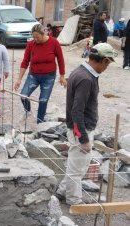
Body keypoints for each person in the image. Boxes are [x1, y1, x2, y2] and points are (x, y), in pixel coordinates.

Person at [56, 43, 117, 205]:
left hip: (78, 127)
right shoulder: (85, 79)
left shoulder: (81, 72)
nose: (107, 66)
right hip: (80, 129)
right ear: (103, 60)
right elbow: (77, 111)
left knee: (76, 165)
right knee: (77, 169)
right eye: (108, 63)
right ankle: (74, 201)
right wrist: (83, 139)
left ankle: (63, 191)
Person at [14, 24, 66, 124]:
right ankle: (28, 111)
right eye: (33, 37)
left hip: (49, 77)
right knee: (24, 95)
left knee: (43, 100)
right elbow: (25, 61)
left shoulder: (54, 42)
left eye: (37, 37)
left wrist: (62, 76)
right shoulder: (31, 44)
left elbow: (60, 60)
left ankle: (40, 122)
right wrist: (19, 79)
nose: (35, 39)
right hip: (33, 75)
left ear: (43, 34)